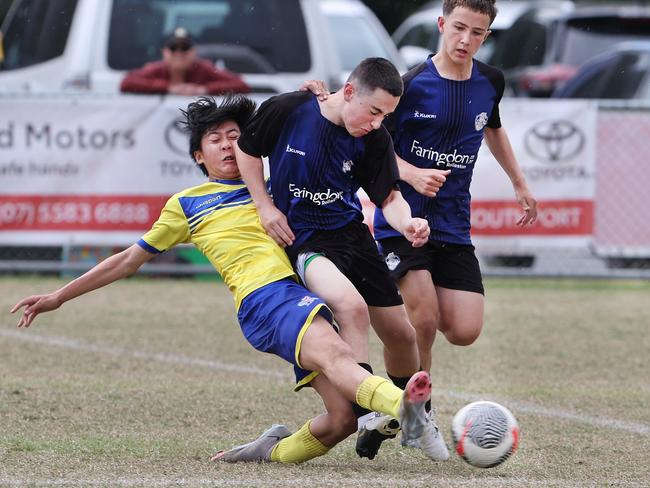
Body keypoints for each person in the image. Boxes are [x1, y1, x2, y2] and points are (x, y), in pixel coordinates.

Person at [10, 95, 437, 465]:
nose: (228, 145)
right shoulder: (187, 204)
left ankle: (268, 450)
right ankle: (404, 409)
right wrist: (59, 296)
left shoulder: (271, 185)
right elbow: (126, 261)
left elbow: (322, 127)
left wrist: (315, 94)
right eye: (215, 140)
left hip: (300, 295)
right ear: (199, 156)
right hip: (265, 299)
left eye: (235, 136)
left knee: (340, 420)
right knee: (337, 355)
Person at [234, 57, 449, 461]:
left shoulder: (374, 138)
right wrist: (264, 206)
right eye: (373, 111)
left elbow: (389, 197)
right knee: (350, 306)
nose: (376, 122)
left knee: (402, 335)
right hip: (304, 241)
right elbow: (247, 150)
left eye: (385, 115)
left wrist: (408, 225)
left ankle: (419, 421)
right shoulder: (288, 109)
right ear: (348, 92)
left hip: (353, 237)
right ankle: (370, 413)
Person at [365, 0, 538, 457]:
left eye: (477, 33)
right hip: (403, 222)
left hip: (453, 226)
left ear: (486, 36)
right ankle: (417, 413)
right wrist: (410, 173)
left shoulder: (490, 82)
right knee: (423, 316)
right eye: (459, 28)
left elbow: (493, 128)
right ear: (442, 25)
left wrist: (519, 183)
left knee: (463, 329)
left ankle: (389, 396)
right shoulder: (411, 86)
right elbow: (374, 148)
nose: (465, 40)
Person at [120, 27, 250, 96]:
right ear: (165, 52)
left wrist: (203, 90)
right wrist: (169, 88)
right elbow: (126, 83)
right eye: (173, 48)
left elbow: (241, 85)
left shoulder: (204, 68)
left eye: (185, 48)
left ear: (193, 52)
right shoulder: (157, 69)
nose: (179, 53)